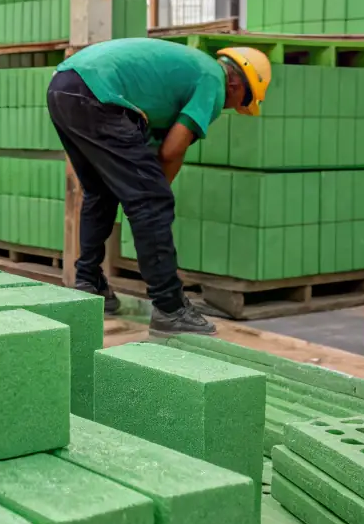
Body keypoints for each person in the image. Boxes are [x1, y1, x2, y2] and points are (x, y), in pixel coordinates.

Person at [47, 39, 272, 336]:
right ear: (237, 84)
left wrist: (146, 191)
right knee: (151, 202)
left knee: (101, 192)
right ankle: (170, 307)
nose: (236, 107)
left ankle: (89, 281)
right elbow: (172, 151)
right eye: (245, 100)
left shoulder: (186, 70)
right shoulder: (213, 82)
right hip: (97, 95)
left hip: (64, 86)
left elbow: (157, 149)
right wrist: (151, 199)